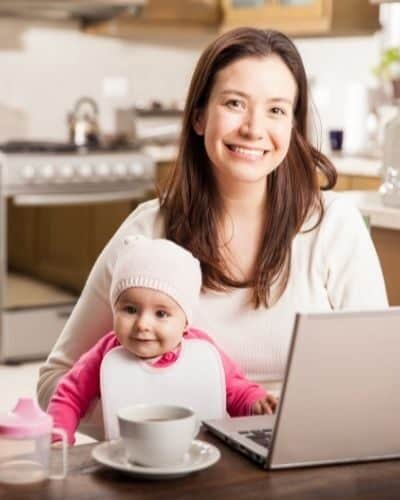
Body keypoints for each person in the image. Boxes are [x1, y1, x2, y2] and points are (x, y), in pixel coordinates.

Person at [38, 27, 388, 440]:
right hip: (179, 462)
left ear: (293, 127)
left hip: (302, 454)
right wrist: (160, 420)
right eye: (235, 103)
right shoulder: (148, 231)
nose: (254, 129)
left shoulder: (334, 227)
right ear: (200, 116)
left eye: (276, 110)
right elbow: (54, 383)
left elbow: (380, 381)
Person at [47, 235, 276, 445]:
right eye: (130, 309)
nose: (143, 324)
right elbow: (69, 395)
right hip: (127, 457)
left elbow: (236, 389)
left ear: (185, 322)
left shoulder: (202, 352)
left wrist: (255, 404)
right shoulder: (106, 353)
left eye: (161, 314)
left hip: (199, 455)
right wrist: (58, 435)